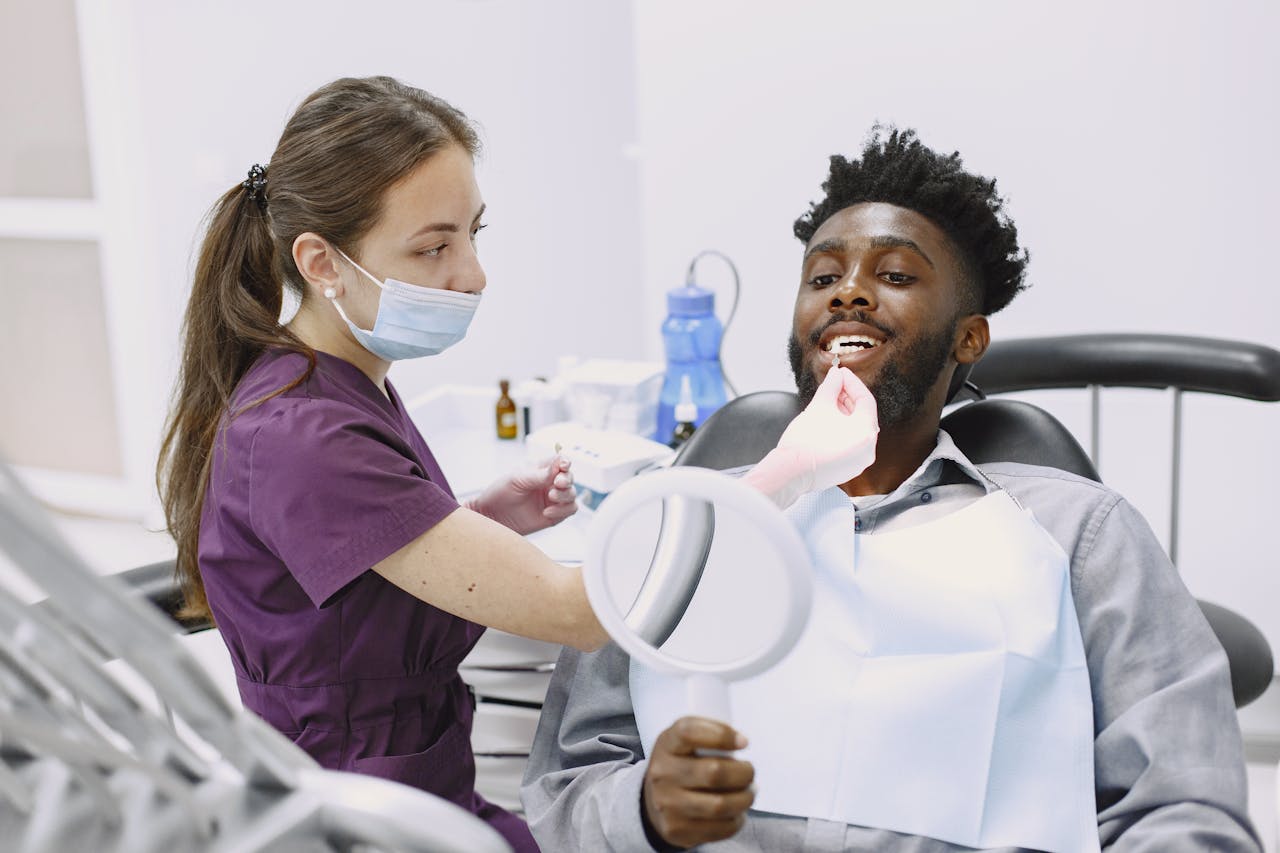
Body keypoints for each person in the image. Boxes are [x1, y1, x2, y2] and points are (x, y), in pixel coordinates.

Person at [156, 76, 871, 852]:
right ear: (321, 262)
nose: (473, 274)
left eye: (473, 234)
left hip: (424, 794)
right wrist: (786, 472)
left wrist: (478, 520)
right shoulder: (305, 434)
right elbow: (582, 611)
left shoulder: (334, 383)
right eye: (434, 247)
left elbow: (360, 575)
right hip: (361, 825)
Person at [520, 127, 1261, 851]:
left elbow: (1183, 807)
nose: (848, 293)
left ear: (968, 339)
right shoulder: (686, 525)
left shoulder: (1080, 535)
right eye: (822, 276)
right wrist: (643, 810)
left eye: (896, 275)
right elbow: (565, 786)